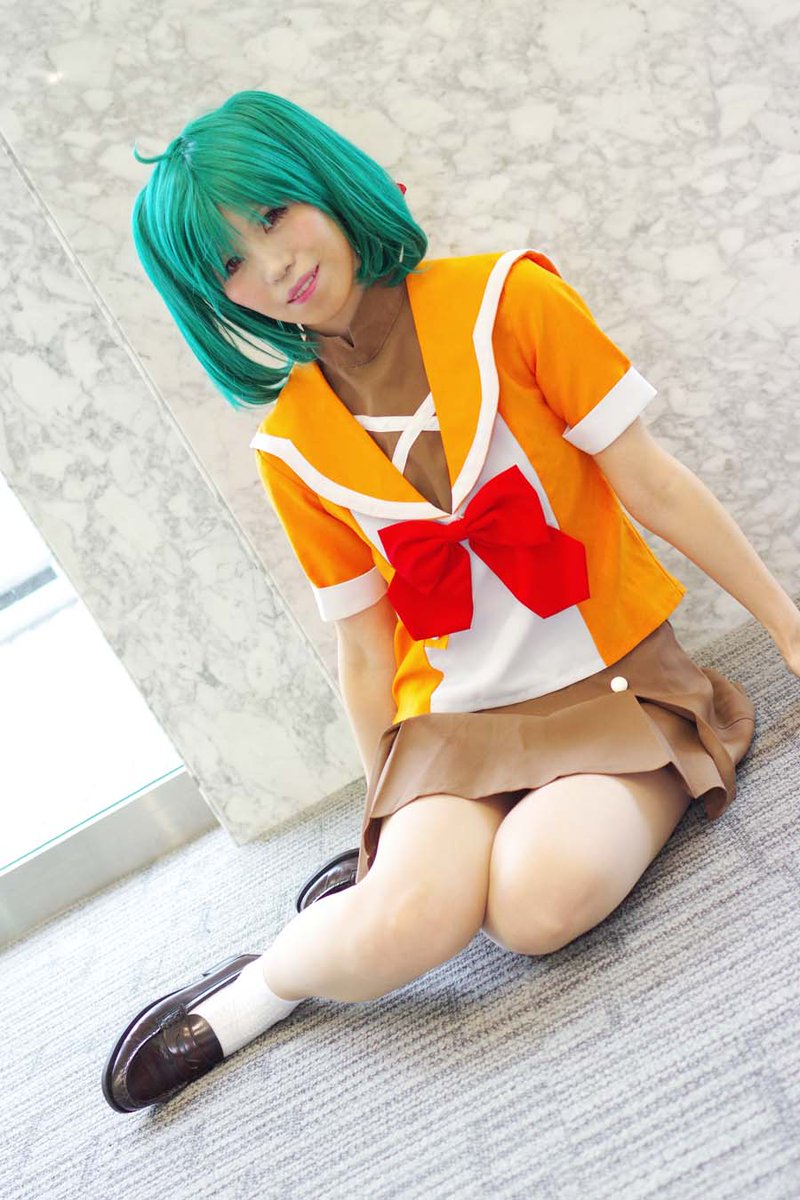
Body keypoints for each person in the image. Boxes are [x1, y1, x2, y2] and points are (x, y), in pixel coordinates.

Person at [102, 90, 800, 1113]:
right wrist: (382, 820)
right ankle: (260, 987)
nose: (275, 264)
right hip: (454, 728)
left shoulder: (509, 300)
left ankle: (387, 897)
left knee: (536, 906)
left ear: (325, 183)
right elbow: (364, 645)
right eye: (230, 263)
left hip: (612, 689)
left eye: (273, 214)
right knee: (408, 926)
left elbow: (651, 483)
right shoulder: (290, 444)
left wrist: (787, 626)